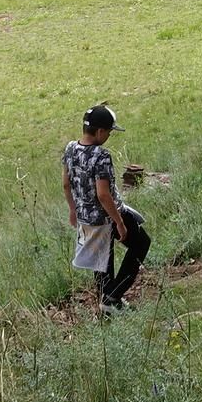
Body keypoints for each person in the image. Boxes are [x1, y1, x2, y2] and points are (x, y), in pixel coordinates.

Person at [63, 104, 151, 313]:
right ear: (100, 131)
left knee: (101, 260)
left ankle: (107, 303)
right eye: (109, 132)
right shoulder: (100, 155)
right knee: (141, 244)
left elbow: (66, 184)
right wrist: (119, 221)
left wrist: (73, 210)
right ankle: (113, 296)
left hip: (85, 215)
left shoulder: (70, 148)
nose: (109, 135)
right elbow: (103, 194)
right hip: (107, 216)